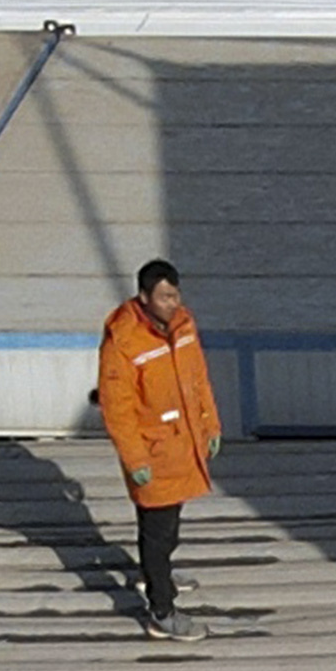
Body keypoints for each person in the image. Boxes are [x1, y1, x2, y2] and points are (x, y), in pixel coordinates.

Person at [95, 257, 217, 639]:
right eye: (163, 297)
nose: (171, 303)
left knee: (168, 528)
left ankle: (155, 571)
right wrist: (134, 458)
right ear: (144, 296)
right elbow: (117, 407)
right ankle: (161, 609)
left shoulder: (183, 326)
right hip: (151, 451)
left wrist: (210, 424)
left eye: (175, 295)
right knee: (158, 530)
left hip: (183, 447)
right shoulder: (125, 341)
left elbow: (198, 378)